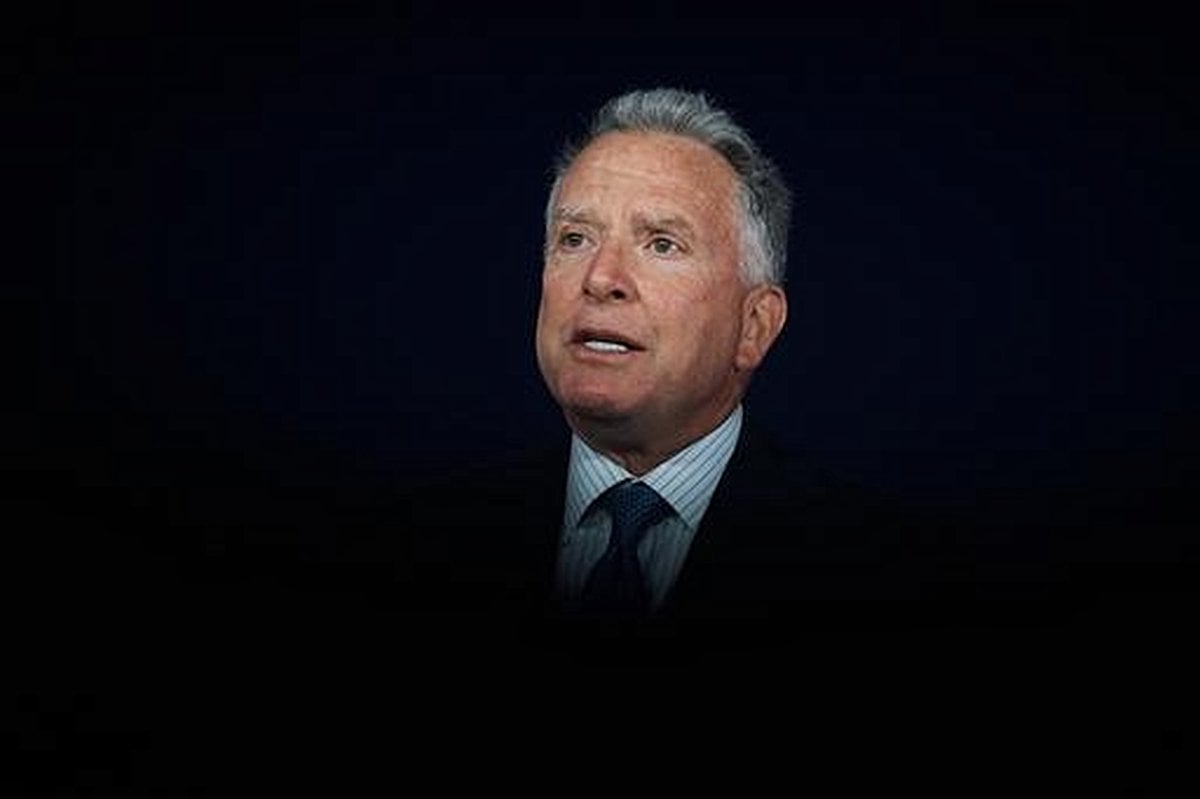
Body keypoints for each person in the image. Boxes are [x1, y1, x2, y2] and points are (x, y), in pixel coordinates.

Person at [400, 88, 938, 638]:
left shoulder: (885, 569)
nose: (600, 278)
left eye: (661, 244)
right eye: (575, 238)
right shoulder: (417, 542)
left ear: (753, 326)